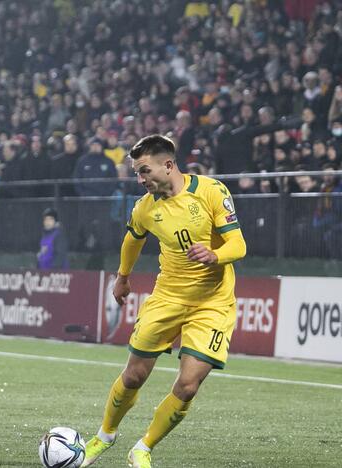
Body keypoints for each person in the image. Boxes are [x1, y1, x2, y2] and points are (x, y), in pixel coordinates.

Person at [81, 135, 246, 468]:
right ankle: (105, 435)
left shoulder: (211, 191)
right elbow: (133, 240)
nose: (140, 180)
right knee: (133, 377)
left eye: (144, 171)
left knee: (187, 386)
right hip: (167, 297)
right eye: (137, 174)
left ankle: (143, 447)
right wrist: (123, 277)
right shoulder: (145, 207)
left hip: (212, 303)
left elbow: (239, 246)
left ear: (168, 165)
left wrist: (214, 255)